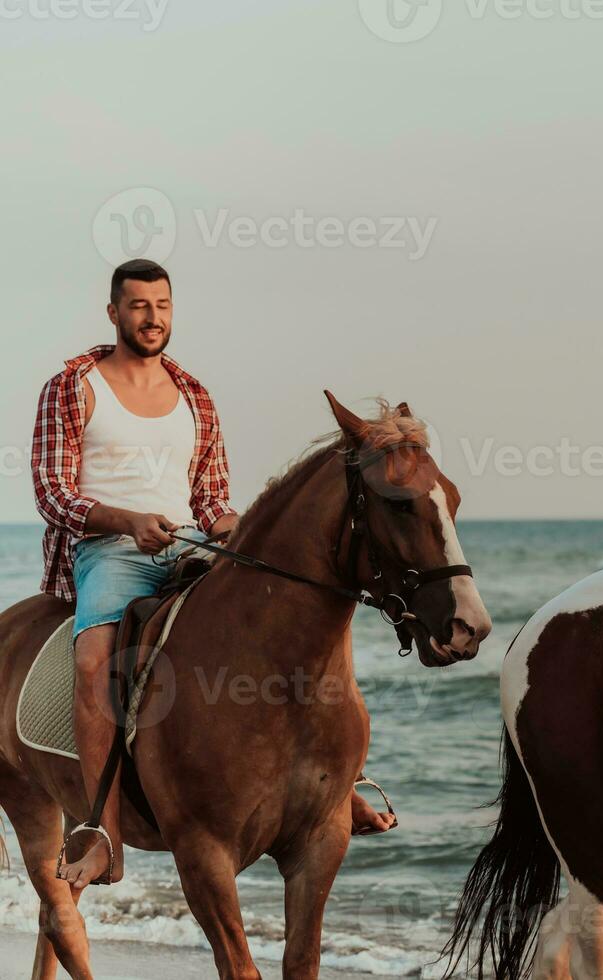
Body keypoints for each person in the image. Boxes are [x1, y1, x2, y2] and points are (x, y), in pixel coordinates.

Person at [32, 259, 395, 888]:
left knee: (296, 616)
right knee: (96, 662)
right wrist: (124, 519)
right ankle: (101, 834)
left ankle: (335, 787)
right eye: (140, 306)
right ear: (114, 312)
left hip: (187, 544)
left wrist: (234, 527)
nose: (152, 318)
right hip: (109, 549)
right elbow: (52, 493)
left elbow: (210, 496)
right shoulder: (73, 385)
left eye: (163, 306)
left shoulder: (193, 393)